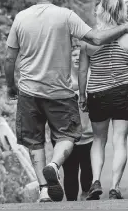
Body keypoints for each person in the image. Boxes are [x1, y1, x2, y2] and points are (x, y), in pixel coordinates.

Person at [4, 0, 128, 203]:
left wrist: (11, 86)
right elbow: (96, 39)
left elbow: (9, 58)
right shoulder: (66, 16)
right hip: (59, 91)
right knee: (68, 135)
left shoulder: (20, 18)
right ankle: (55, 164)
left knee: (35, 141)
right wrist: (124, 28)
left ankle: (45, 190)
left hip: (28, 91)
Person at [78, 0, 128, 200]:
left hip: (97, 93)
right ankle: (115, 186)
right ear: (122, 11)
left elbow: (82, 71)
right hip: (123, 91)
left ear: (100, 10)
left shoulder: (89, 38)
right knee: (119, 140)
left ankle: (96, 181)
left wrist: (82, 95)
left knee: (98, 139)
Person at [51, 46, 94, 201]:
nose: (77, 58)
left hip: (89, 135)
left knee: (88, 171)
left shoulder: (92, 77)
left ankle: (86, 196)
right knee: (70, 172)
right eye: (74, 55)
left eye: (80, 55)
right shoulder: (61, 79)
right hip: (67, 136)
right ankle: (71, 204)